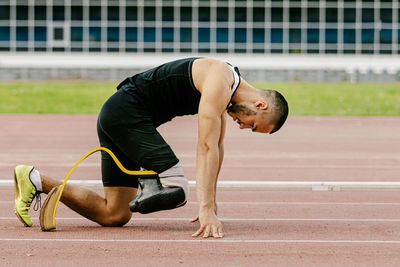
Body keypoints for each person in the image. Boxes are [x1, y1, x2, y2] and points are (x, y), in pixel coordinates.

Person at [14, 57, 288, 238]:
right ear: (259, 105)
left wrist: (212, 204)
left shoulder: (227, 92)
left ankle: (35, 179)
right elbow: (205, 146)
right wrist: (204, 209)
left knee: (115, 215)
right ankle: (152, 184)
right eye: (252, 125)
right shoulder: (220, 78)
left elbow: (217, 146)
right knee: (177, 187)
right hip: (125, 113)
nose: (243, 127)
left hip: (123, 118)